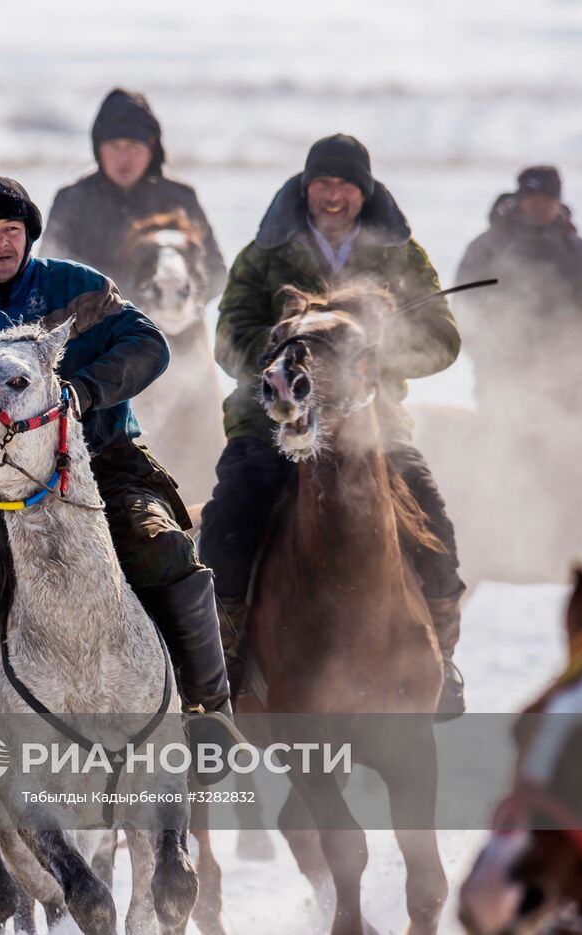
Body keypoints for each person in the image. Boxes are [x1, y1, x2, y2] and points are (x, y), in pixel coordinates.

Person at [0, 176, 233, 804]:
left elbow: (149, 344)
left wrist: (81, 396)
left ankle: (207, 713)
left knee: (162, 549)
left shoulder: (78, 288)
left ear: (29, 235)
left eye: (11, 230)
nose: (1, 242)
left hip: (103, 459)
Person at [200, 133, 467, 718]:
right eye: (323, 182)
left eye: (345, 184)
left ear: (363, 193)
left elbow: (444, 340)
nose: (333, 194)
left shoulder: (402, 256)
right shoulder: (263, 253)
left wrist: (364, 360)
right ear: (306, 187)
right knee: (229, 521)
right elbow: (227, 334)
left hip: (375, 427)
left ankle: (441, 663)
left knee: (435, 526)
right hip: (273, 422)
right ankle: (224, 662)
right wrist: (282, 361)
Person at [42, 88, 225, 300]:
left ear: (152, 147)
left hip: (171, 323)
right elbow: (50, 273)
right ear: (97, 148)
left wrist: (182, 306)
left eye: (133, 146)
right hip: (95, 325)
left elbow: (216, 271)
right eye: (113, 146)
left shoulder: (180, 198)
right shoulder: (72, 200)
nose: (124, 158)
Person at [455, 165, 582, 404]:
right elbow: (466, 306)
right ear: (520, 200)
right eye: (534, 199)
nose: (541, 205)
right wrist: (490, 357)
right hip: (505, 376)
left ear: (558, 202)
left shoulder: (574, 248)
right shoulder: (488, 246)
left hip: (570, 377)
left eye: (548, 199)